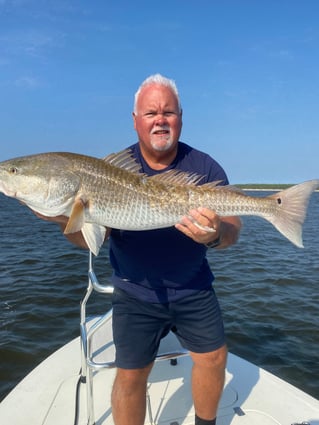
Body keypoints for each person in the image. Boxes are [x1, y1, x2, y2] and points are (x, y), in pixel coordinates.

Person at [41, 74, 241, 425]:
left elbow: (233, 231)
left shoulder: (204, 167)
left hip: (194, 287)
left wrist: (214, 234)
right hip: (134, 292)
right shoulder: (109, 170)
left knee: (214, 359)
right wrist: (63, 219)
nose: (160, 120)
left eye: (168, 112)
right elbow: (90, 240)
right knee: (130, 377)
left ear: (181, 117)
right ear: (135, 120)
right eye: (150, 113)